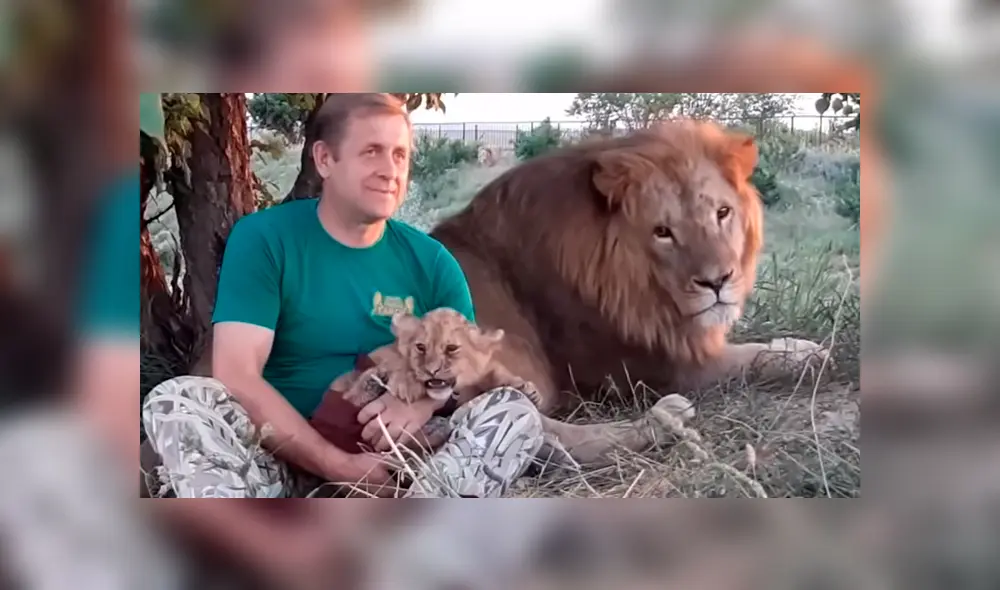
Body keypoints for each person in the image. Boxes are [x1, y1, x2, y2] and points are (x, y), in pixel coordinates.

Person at [141, 93, 544, 501]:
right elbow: (236, 372)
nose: (390, 171)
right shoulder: (264, 239)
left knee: (515, 413)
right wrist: (340, 466)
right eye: (372, 151)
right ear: (324, 159)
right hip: (279, 463)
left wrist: (421, 404)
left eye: (400, 155)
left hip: (406, 467)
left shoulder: (433, 262)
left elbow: (468, 366)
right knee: (176, 400)